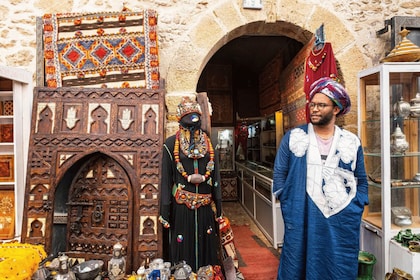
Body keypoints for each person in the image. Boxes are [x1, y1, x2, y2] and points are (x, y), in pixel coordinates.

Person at [272, 77, 369, 279]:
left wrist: (357, 205)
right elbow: (279, 173)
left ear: (336, 109)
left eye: (321, 105)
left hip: (341, 217)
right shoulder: (295, 137)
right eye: (312, 104)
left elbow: (361, 177)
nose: (314, 109)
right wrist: (289, 202)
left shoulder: (351, 141)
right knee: (297, 261)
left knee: (337, 262)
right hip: (302, 215)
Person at [159, 96, 223, 273]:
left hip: (205, 208)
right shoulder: (171, 144)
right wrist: (165, 211)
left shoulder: (209, 142)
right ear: (179, 120)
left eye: (195, 117)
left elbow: (216, 176)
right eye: (188, 117)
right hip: (181, 208)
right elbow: (166, 180)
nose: (193, 122)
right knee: (182, 247)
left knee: (207, 247)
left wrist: (219, 206)